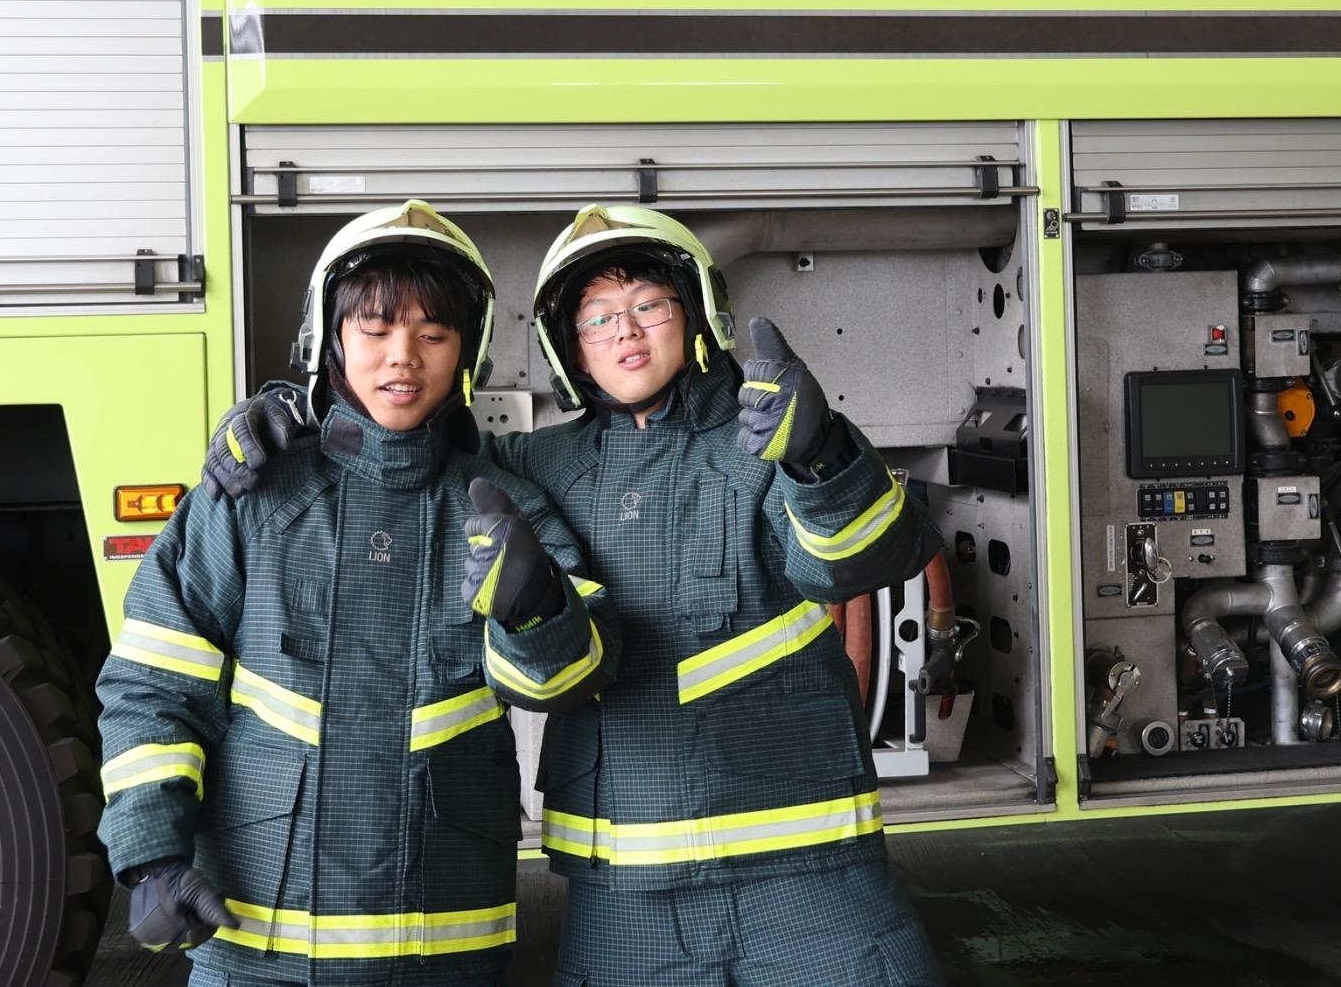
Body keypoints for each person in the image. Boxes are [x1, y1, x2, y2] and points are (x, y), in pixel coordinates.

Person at [206, 204, 943, 987]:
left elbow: (864, 560)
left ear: (698, 311)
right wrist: (288, 415)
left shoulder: (770, 437)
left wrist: (822, 456)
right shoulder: (532, 465)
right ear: (569, 347)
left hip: (811, 871)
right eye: (597, 317)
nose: (626, 331)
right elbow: (402, 445)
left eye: (648, 305)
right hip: (625, 898)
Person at [98, 200, 618, 987]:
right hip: (258, 951)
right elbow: (153, 685)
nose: (402, 357)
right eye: (375, 330)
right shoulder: (253, 495)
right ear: (331, 340)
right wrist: (151, 853)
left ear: (467, 352)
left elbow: (577, 677)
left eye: (433, 334)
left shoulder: (504, 509)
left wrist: (538, 608)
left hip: (442, 950)